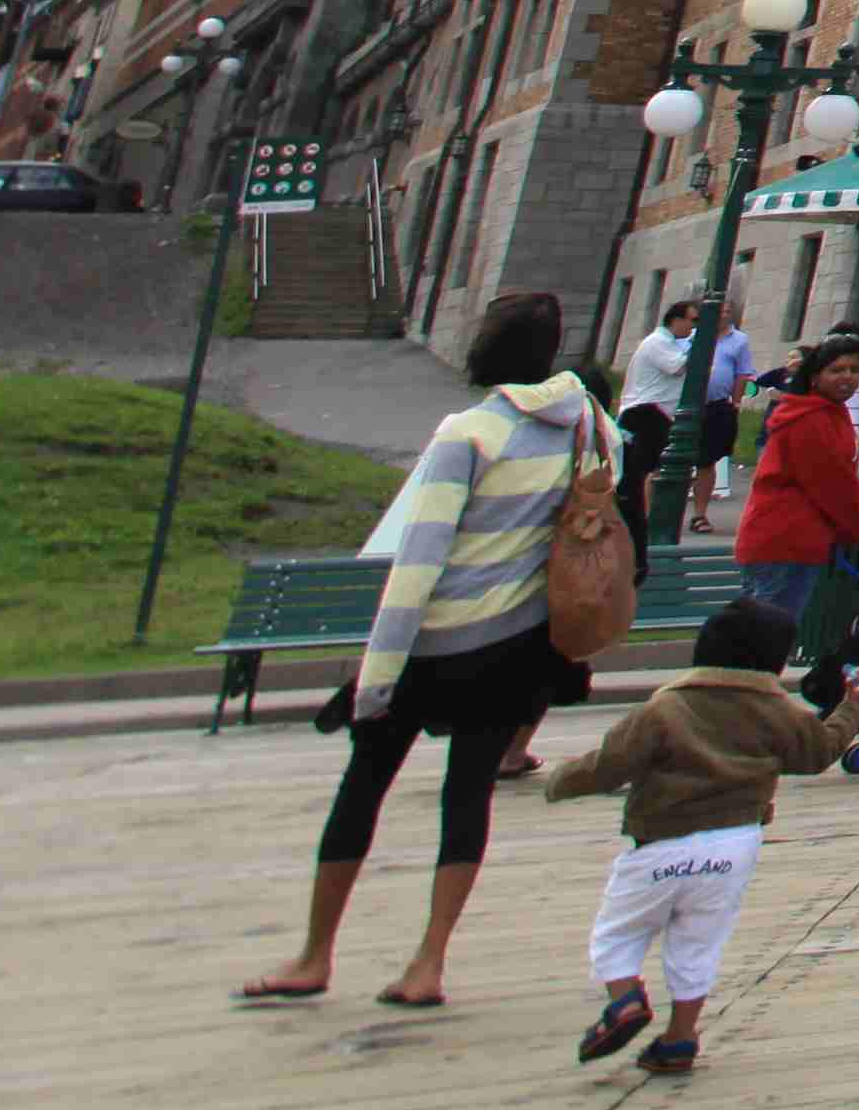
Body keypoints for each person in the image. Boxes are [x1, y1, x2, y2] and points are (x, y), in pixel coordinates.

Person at [234, 289, 603, 1009]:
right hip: (519, 645)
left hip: (434, 643)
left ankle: (315, 955)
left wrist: (375, 679)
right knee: (467, 797)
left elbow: (418, 563)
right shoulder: (592, 426)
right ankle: (429, 961)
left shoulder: (466, 433)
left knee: (363, 787)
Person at [542, 593, 847, 1078]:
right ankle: (680, 1038)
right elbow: (817, 753)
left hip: (659, 845)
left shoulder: (666, 708)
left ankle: (625, 1003)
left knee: (616, 937)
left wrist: (561, 782)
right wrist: (851, 708)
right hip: (733, 847)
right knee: (698, 945)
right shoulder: (781, 713)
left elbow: (608, 766)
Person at [728, 333, 859, 690]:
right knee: (765, 640)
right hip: (783, 543)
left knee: (761, 638)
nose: (847, 377)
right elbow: (835, 487)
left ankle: (745, 701)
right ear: (815, 375)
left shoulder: (824, 413)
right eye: (837, 369)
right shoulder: (809, 420)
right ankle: (743, 704)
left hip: (794, 542)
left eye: (855, 370)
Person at [611, 302, 703, 563]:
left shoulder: (671, 343)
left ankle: (644, 518)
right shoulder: (657, 342)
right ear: (675, 320)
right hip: (645, 412)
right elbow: (677, 367)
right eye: (692, 321)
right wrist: (702, 338)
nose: (694, 327)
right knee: (646, 471)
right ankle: (644, 519)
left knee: (650, 469)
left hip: (656, 414)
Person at [686, 308, 755, 526]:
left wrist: (735, 403)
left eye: (726, 310)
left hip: (717, 405)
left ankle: (699, 514)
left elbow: (742, 373)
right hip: (687, 405)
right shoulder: (693, 336)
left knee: (707, 461)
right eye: (719, 310)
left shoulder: (740, 340)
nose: (722, 314)